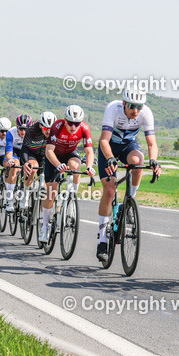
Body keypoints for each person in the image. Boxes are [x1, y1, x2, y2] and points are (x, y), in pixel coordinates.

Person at [97, 87, 161, 262]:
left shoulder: (145, 113)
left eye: (138, 107)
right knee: (110, 190)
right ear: (124, 103)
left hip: (128, 145)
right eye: (132, 106)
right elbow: (104, 139)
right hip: (109, 146)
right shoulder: (113, 108)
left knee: (138, 164)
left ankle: (130, 201)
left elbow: (151, 142)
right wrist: (110, 158)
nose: (135, 111)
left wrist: (154, 160)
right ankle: (102, 239)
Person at [40, 105, 95, 244]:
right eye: (70, 123)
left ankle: (71, 197)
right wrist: (57, 164)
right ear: (65, 120)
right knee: (51, 191)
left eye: (76, 123)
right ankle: (45, 227)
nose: (73, 126)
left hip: (70, 153)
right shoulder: (57, 126)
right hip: (54, 156)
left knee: (76, 166)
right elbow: (49, 151)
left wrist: (89, 166)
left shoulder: (85, 128)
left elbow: (89, 152)